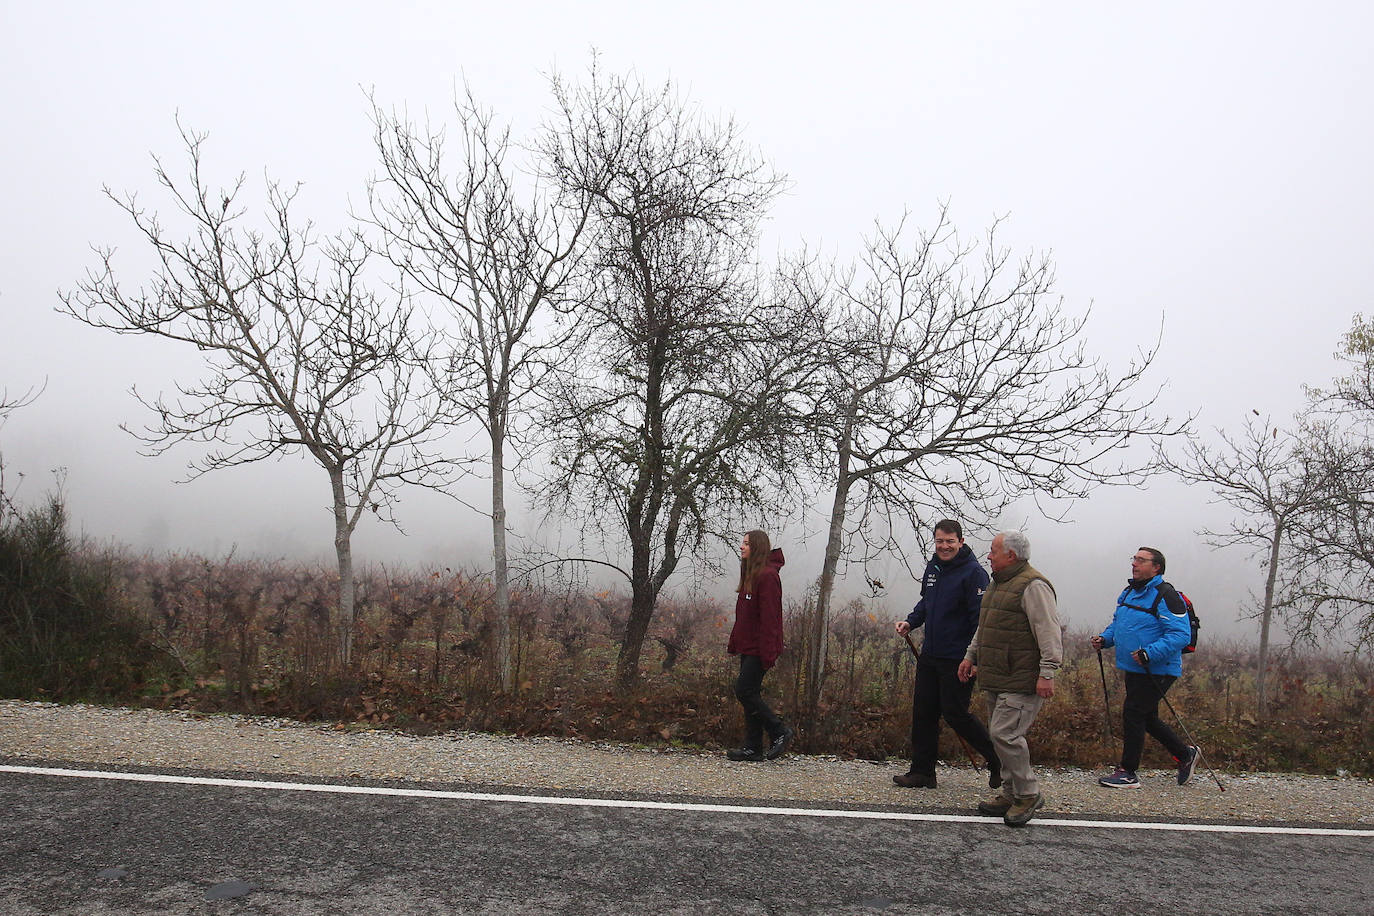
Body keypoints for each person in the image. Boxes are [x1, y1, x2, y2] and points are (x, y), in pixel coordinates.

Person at [958, 530, 1061, 827]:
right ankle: (1010, 793)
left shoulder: (1033, 586)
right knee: (999, 736)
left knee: (1006, 735)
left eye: (993, 551)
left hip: (1022, 678)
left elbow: (1049, 632)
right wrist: (970, 656)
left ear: (1011, 556)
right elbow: (985, 626)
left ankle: (1028, 794)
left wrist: (1047, 673)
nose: (988, 556)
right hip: (997, 675)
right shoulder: (999, 583)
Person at [893, 519, 1001, 789]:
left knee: (955, 713)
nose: (944, 546)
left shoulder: (975, 573)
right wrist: (911, 622)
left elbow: (981, 620)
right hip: (931, 653)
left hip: (959, 658)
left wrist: (974, 659)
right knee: (924, 712)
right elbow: (926, 602)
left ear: (961, 542)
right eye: (940, 541)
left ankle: (998, 759)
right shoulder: (934, 567)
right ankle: (922, 772)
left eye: (950, 541)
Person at [1091, 547, 1200, 788]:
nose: (1135, 564)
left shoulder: (1166, 595)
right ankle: (1185, 755)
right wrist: (1105, 639)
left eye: (1141, 560)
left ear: (1156, 567)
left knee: (1133, 712)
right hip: (1135, 667)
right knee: (1146, 717)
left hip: (1158, 668)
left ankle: (1128, 772)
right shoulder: (1130, 591)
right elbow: (1119, 624)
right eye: (1135, 559)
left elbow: (1180, 634)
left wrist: (1150, 653)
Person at [725, 529, 793, 761]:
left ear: (758, 547)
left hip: (761, 648)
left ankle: (779, 731)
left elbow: (770, 618)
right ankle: (753, 747)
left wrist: (768, 652)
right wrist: (736, 641)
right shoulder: (751, 574)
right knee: (749, 692)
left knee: (744, 690)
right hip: (748, 646)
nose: (742, 547)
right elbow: (745, 615)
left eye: (746, 544)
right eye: (742, 543)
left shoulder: (767, 576)